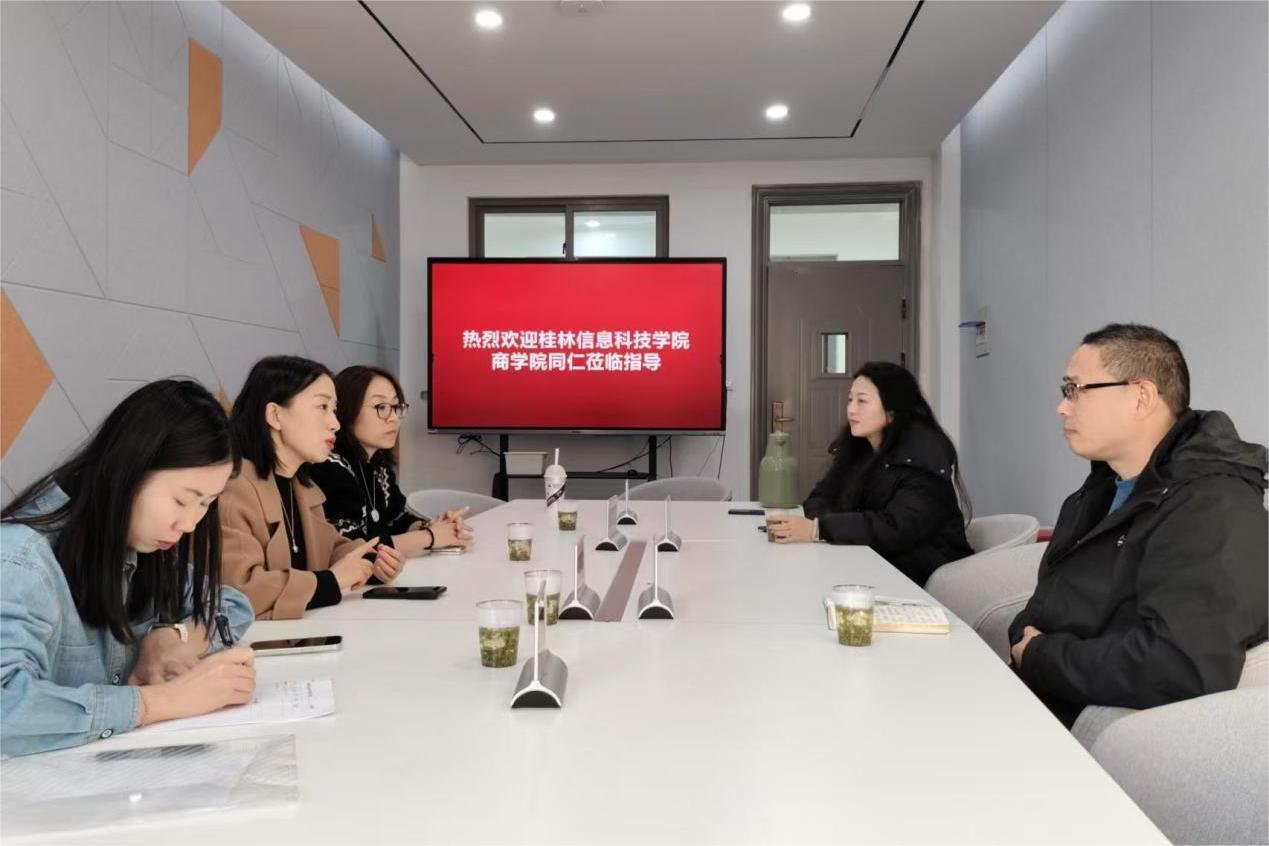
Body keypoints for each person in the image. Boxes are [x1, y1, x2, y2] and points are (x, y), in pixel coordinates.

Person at [1009, 324, 1267, 728]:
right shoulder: (1100, 490)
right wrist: (1026, 642)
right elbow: (1046, 608)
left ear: (1142, 397)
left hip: (1098, 732)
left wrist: (1040, 656)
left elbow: (1177, 665)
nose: (1062, 407)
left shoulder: (1213, 507)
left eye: (1075, 389)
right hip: (1041, 698)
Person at [1, 380, 257, 756]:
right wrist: (163, 701)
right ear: (127, 470)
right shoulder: (21, 561)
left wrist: (172, 638)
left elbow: (232, 605)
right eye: (182, 500)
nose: (189, 524)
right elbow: (7, 705)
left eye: (206, 504)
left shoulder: (140, 546)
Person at [219, 356, 404, 619]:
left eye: (334, 410)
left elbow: (331, 546)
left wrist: (372, 559)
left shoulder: (301, 485)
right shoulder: (232, 488)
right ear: (275, 415)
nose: (335, 423)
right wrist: (329, 582)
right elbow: (239, 592)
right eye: (322, 407)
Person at [768, 361, 972, 586]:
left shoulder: (924, 457)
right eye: (850, 400)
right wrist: (819, 525)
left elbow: (895, 527)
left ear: (892, 411)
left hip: (924, 580)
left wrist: (819, 529)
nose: (851, 409)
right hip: (873, 565)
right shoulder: (859, 448)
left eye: (862, 401)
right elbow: (821, 497)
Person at [309, 366, 473, 555]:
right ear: (346, 410)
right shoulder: (329, 467)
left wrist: (434, 527)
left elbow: (397, 519)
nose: (394, 418)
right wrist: (430, 537)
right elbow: (353, 547)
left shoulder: (377, 464)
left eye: (396, 407)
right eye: (381, 407)